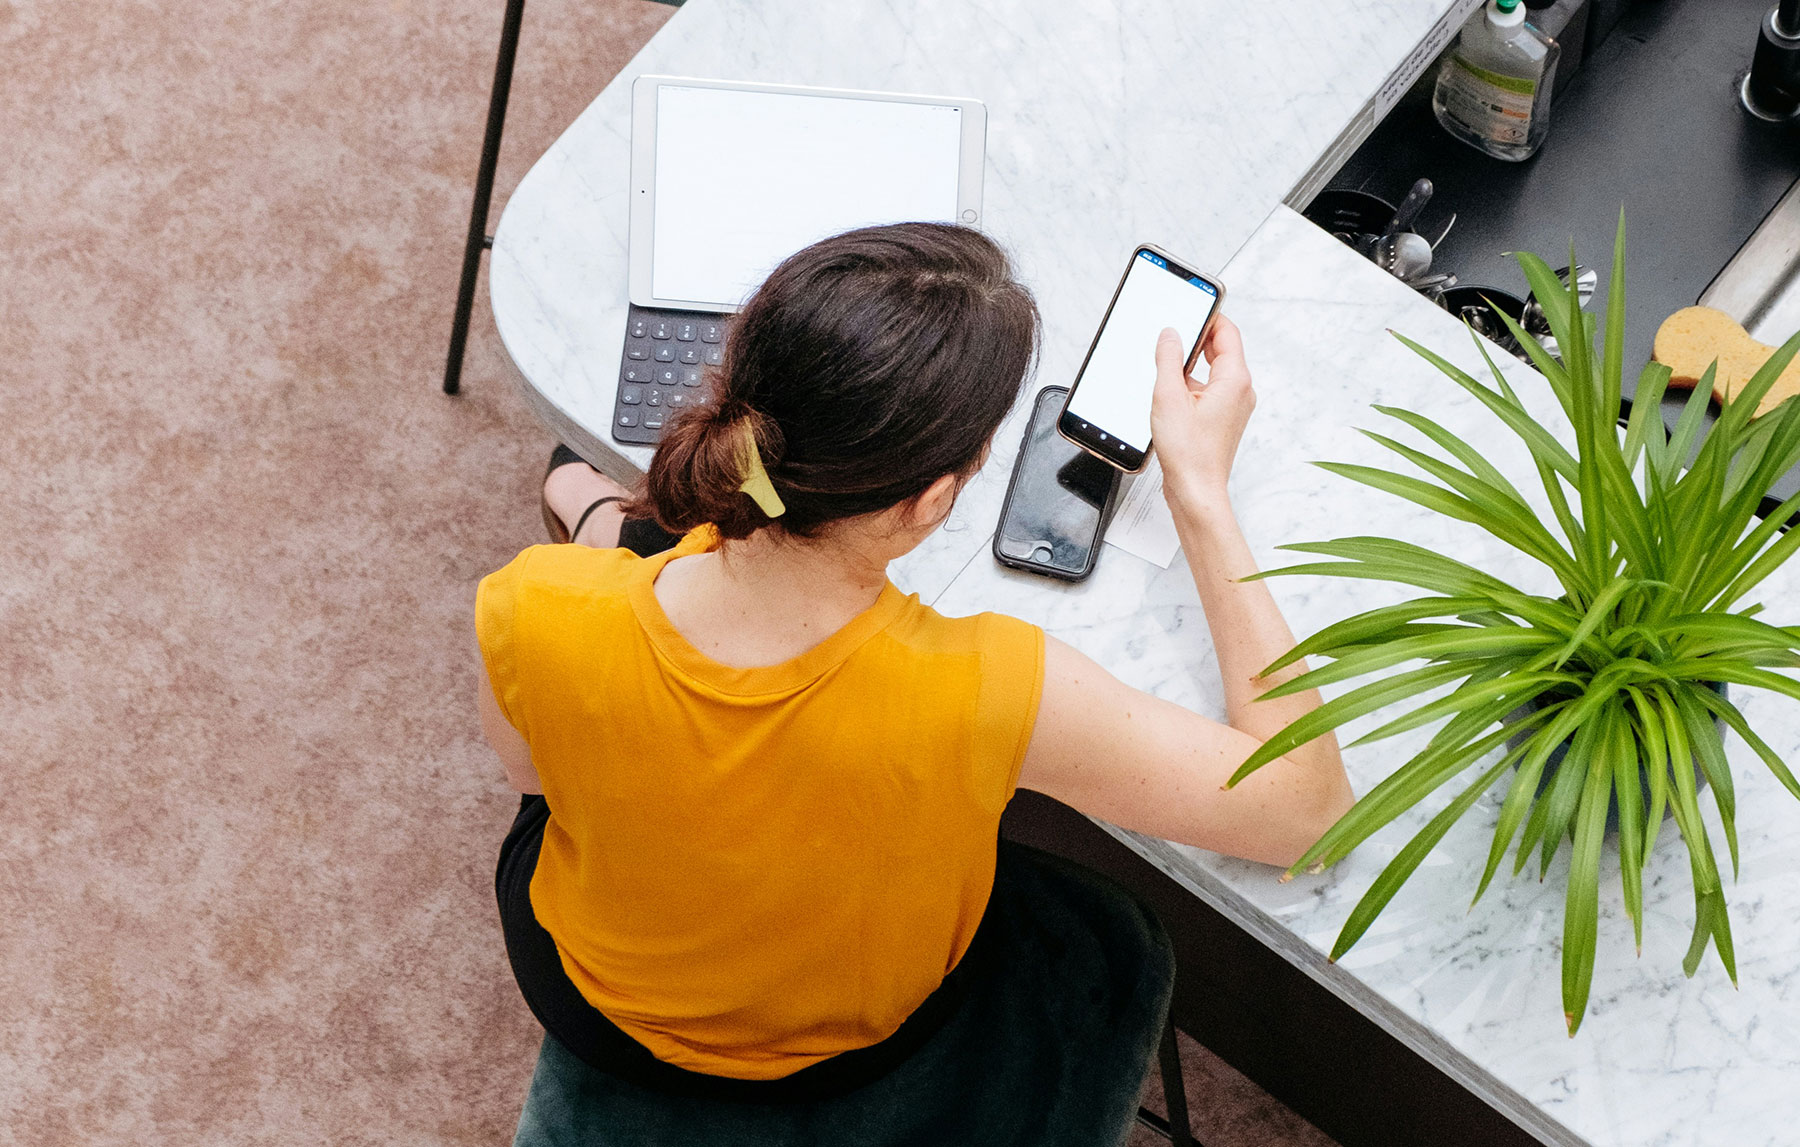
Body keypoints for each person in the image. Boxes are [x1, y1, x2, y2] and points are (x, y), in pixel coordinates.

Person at [477, 223, 1351, 1142]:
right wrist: (1200, 492)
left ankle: (602, 517)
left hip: (590, 997)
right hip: (864, 1047)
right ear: (932, 500)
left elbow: (534, 784)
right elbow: (1309, 814)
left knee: (633, 572)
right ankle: (610, 518)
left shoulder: (528, 604)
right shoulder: (988, 686)